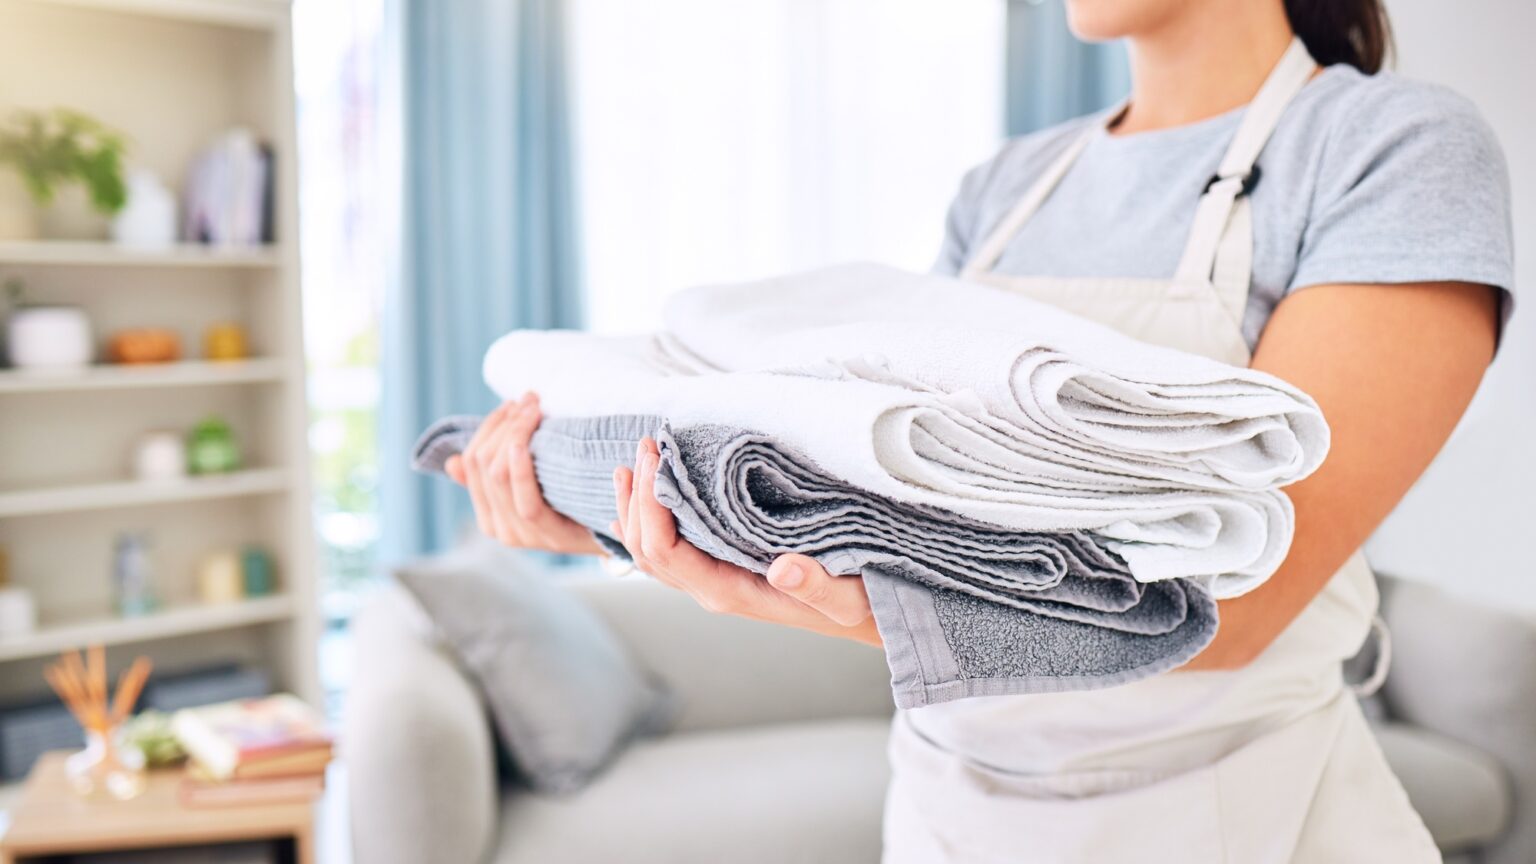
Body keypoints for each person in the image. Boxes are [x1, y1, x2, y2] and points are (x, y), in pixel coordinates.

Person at [446, 0, 1514, 858]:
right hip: (952, 814)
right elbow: (915, 496)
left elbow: (1233, 598)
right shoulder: (1005, 188)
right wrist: (622, 515)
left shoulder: (1391, 149)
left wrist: (874, 614)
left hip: (1244, 816)